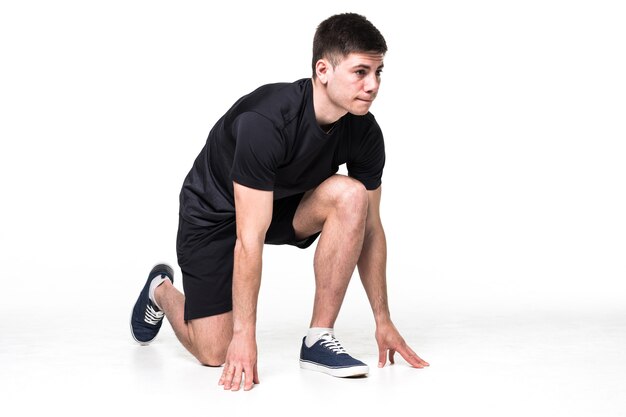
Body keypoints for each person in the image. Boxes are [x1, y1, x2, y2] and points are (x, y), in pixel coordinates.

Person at [130, 12, 429, 391]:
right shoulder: (267, 122)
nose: (372, 85)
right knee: (213, 351)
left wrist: (382, 319)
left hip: (282, 202)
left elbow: (371, 229)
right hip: (214, 213)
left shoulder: (364, 131)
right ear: (323, 69)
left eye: (379, 72)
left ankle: (318, 339)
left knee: (353, 196)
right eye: (360, 72)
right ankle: (160, 288)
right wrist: (243, 335)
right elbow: (248, 239)